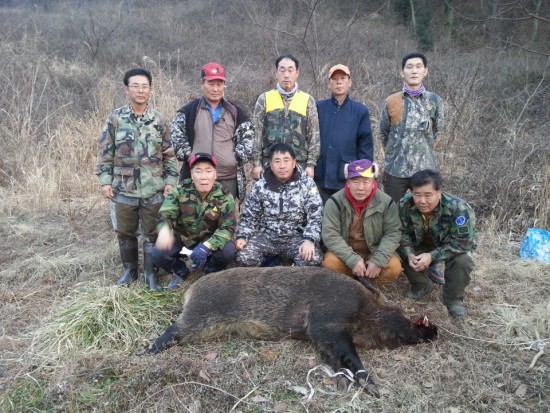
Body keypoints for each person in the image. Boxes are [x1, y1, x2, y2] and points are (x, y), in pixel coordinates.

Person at [96, 68, 179, 291]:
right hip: (123, 187)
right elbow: (106, 152)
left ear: (150, 90)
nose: (140, 90)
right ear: (127, 89)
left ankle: (151, 274)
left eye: (145, 86)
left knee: (153, 234)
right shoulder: (115, 118)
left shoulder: (159, 120)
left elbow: (169, 155)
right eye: (136, 86)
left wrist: (171, 180)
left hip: (154, 188)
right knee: (125, 232)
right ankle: (129, 271)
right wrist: (105, 181)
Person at [398, 169, 477, 319]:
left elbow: (462, 243)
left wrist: (432, 256)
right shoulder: (404, 204)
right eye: (417, 194)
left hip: (448, 245)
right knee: (399, 250)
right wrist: (409, 253)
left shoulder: (458, 209)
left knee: (463, 260)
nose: (422, 201)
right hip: (421, 243)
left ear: (439, 192)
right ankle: (422, 285)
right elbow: (401, 233)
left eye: (428, 195)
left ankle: (453, 300)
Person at [152, 153, 237, 289]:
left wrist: (207, 246)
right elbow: (166, 215)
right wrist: (164, 231)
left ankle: (212, 270)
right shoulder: (179, 191)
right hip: (184, 238)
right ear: (192, 175)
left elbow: (227, 228)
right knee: (157, 252)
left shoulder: (225, 196)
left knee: (228, 251)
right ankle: (180, 272)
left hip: (209, 240)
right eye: (198, 171)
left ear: (215, 175)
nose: (203, 176)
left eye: (208, 171)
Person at [171, 62, 254, 200]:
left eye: (219, 84)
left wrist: (235, 159)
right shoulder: (188, 111)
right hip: (196, 180)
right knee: (194, 219)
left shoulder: (235, 112)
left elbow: (248, 139)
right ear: (202, 83)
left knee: (225, 219)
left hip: (228, 179)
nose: (215, 89)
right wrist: (191, 158)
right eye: (211, 84)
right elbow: (177, 139)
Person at [236, 143, 323, 267]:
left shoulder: (307, 185)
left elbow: (315, 216)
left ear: (294, 163)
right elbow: (250, 215)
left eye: (286, 160)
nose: (282, 166)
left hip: (295, 237)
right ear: (271, 165)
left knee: (312, 259)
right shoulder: (261, 185)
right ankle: (270, 263)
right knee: (244, 257)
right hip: (267, 237)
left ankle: (290, 273)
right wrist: (243, 236)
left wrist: (309, 240)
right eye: (277, 161)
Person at [321, 159, 402, 287]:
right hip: (345, 252)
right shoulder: (334, 202)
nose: (360, 187)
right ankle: (351, 285)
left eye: (366, 182)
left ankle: (366, 285)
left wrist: (378, 261)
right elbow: (330, 235)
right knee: (330, 264)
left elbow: (392, 233)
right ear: (347, 182)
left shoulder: (386, 202)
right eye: (355, 181)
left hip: (373, 251)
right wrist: (352, 260)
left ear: (373, 182)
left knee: (394, 267)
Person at [379, 52, 444, 203]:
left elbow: (438, 134)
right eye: (409, 67)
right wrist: (395, 154)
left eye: (418, 67)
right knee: (392, 214)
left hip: (425, 170)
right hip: (395, 170)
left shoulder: (435, 101)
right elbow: (383, 134)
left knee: (425, 212)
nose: (414, 71)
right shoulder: (391, 101)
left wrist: (422, 152)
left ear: (425, 71)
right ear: (402, 73)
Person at [251, 54, 320, 180]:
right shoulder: (264, 98)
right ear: (276, 73)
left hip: (299, 165)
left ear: (297, 72)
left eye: (290, 70)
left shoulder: (308, 100)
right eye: (282, 70)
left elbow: (314, 136)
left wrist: (311, 165)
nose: (286, 75)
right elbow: (256, 133)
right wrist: (256, 163)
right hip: (269, 164)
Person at [315, 64, 374, 204]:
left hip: (346, 177)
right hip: (319, 177)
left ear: (350, 82)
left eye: (343, 78)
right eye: (334, 79)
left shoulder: (360, 111)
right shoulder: (318, 107)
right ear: (329, 84)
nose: (339, 82)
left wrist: (362, 178)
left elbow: (365, 146)